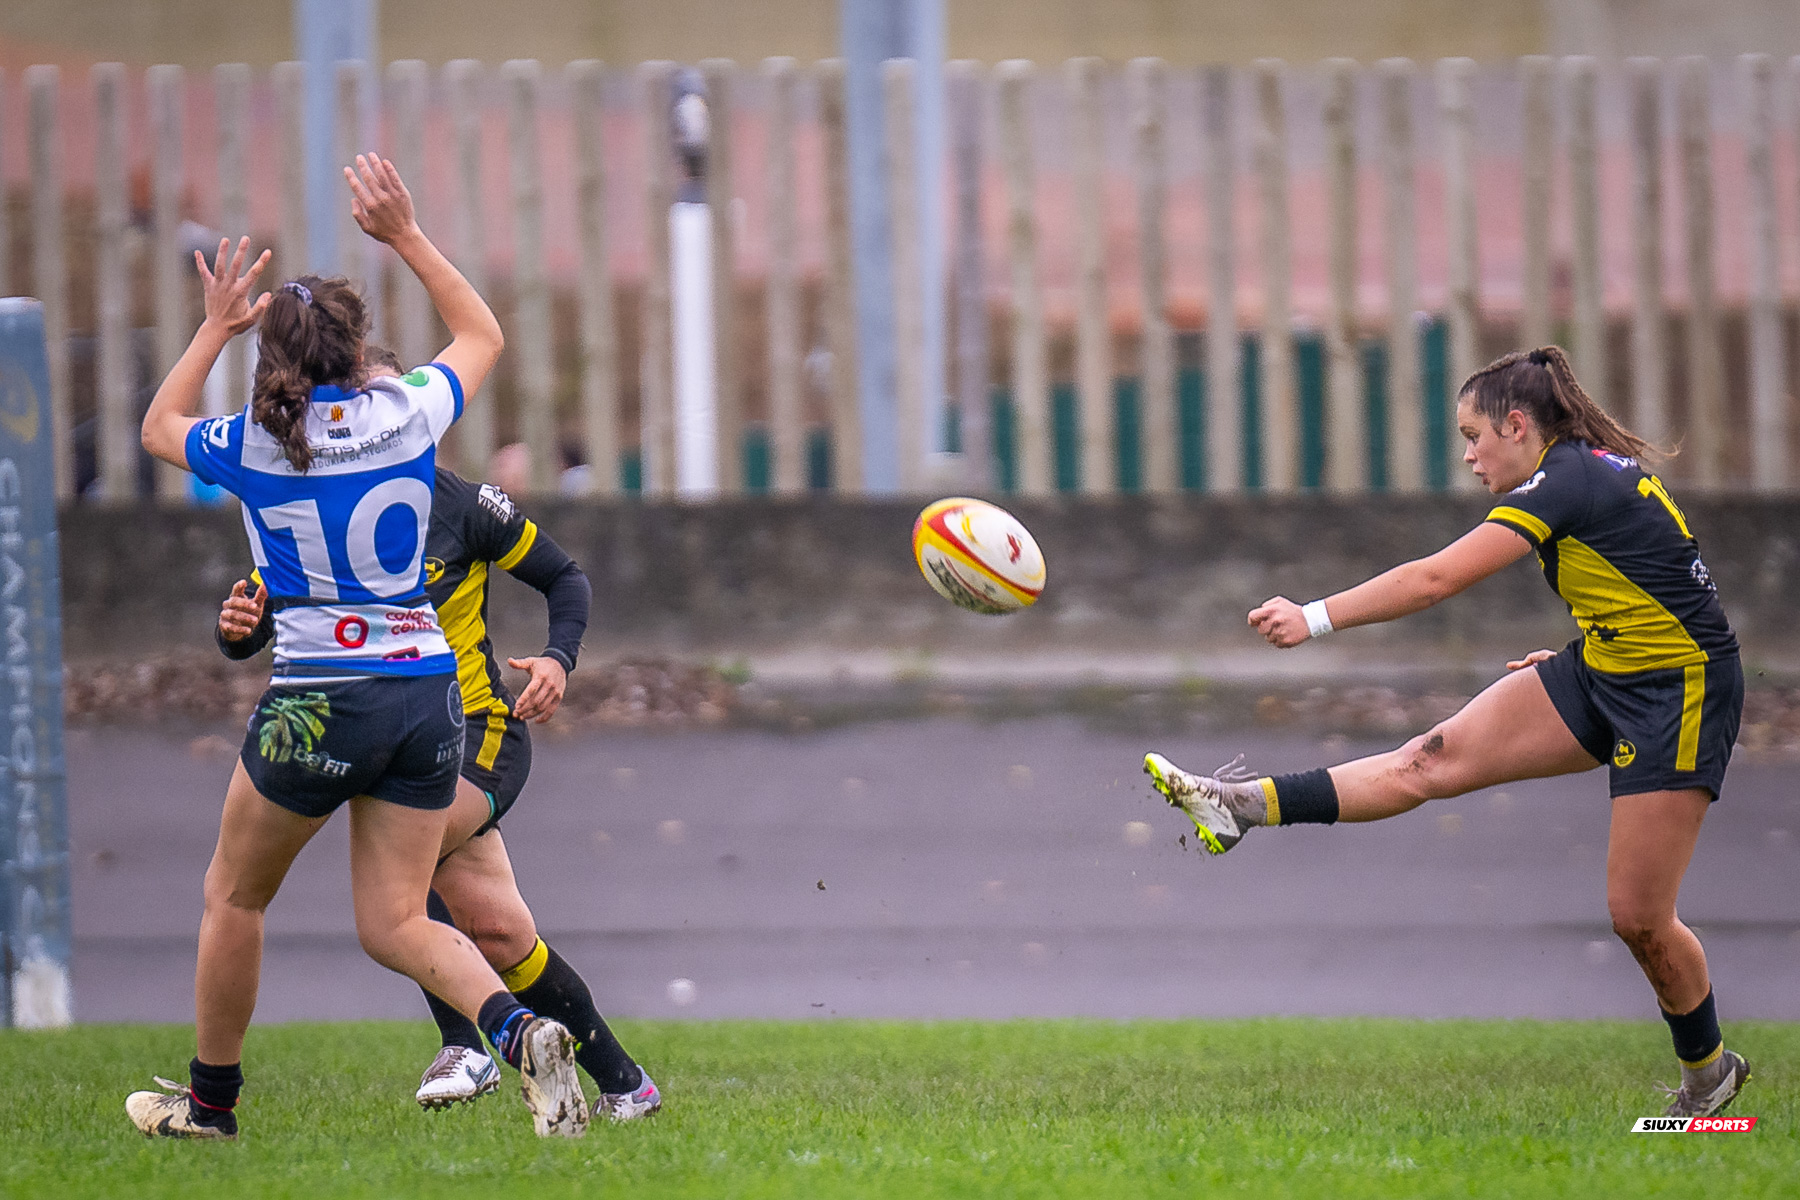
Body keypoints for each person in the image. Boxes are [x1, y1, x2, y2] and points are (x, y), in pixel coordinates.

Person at [1142, 347, 1751, 1120]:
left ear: (1518, 425)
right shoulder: (1579, 473)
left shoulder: (1567, 478)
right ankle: (1237, 806)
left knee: (1637, 915)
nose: (1467, 455)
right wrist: (1594, 646)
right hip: (1606, 670)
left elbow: (1436, 579)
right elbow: (1641, 574)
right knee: (1424, 762)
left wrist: (1314, 616)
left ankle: (1710, 1080)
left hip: (1678, 693)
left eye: (1474, 435)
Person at [129, 154, 588, 1140]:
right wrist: (404, 234)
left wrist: (215, 324)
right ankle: (519, 1035)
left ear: (273, 360)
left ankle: (210, 1109)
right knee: (397, 922)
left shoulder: (251, 441)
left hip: (317, 697)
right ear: (357, 349)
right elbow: (483, 333)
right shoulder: (405, 412)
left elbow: (158, 425)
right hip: (426, 694)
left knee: (232, 897)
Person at [216, 346, 659, 1120]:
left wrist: (558, 659)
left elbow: (566, 577)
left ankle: (468, 1045)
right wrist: (239, 629)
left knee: (403, 855)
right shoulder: (319, 505)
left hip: (481, 731)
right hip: (404, 733)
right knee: (498, 931)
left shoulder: (464, 506)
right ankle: (626, 1084)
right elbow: (260, 614)